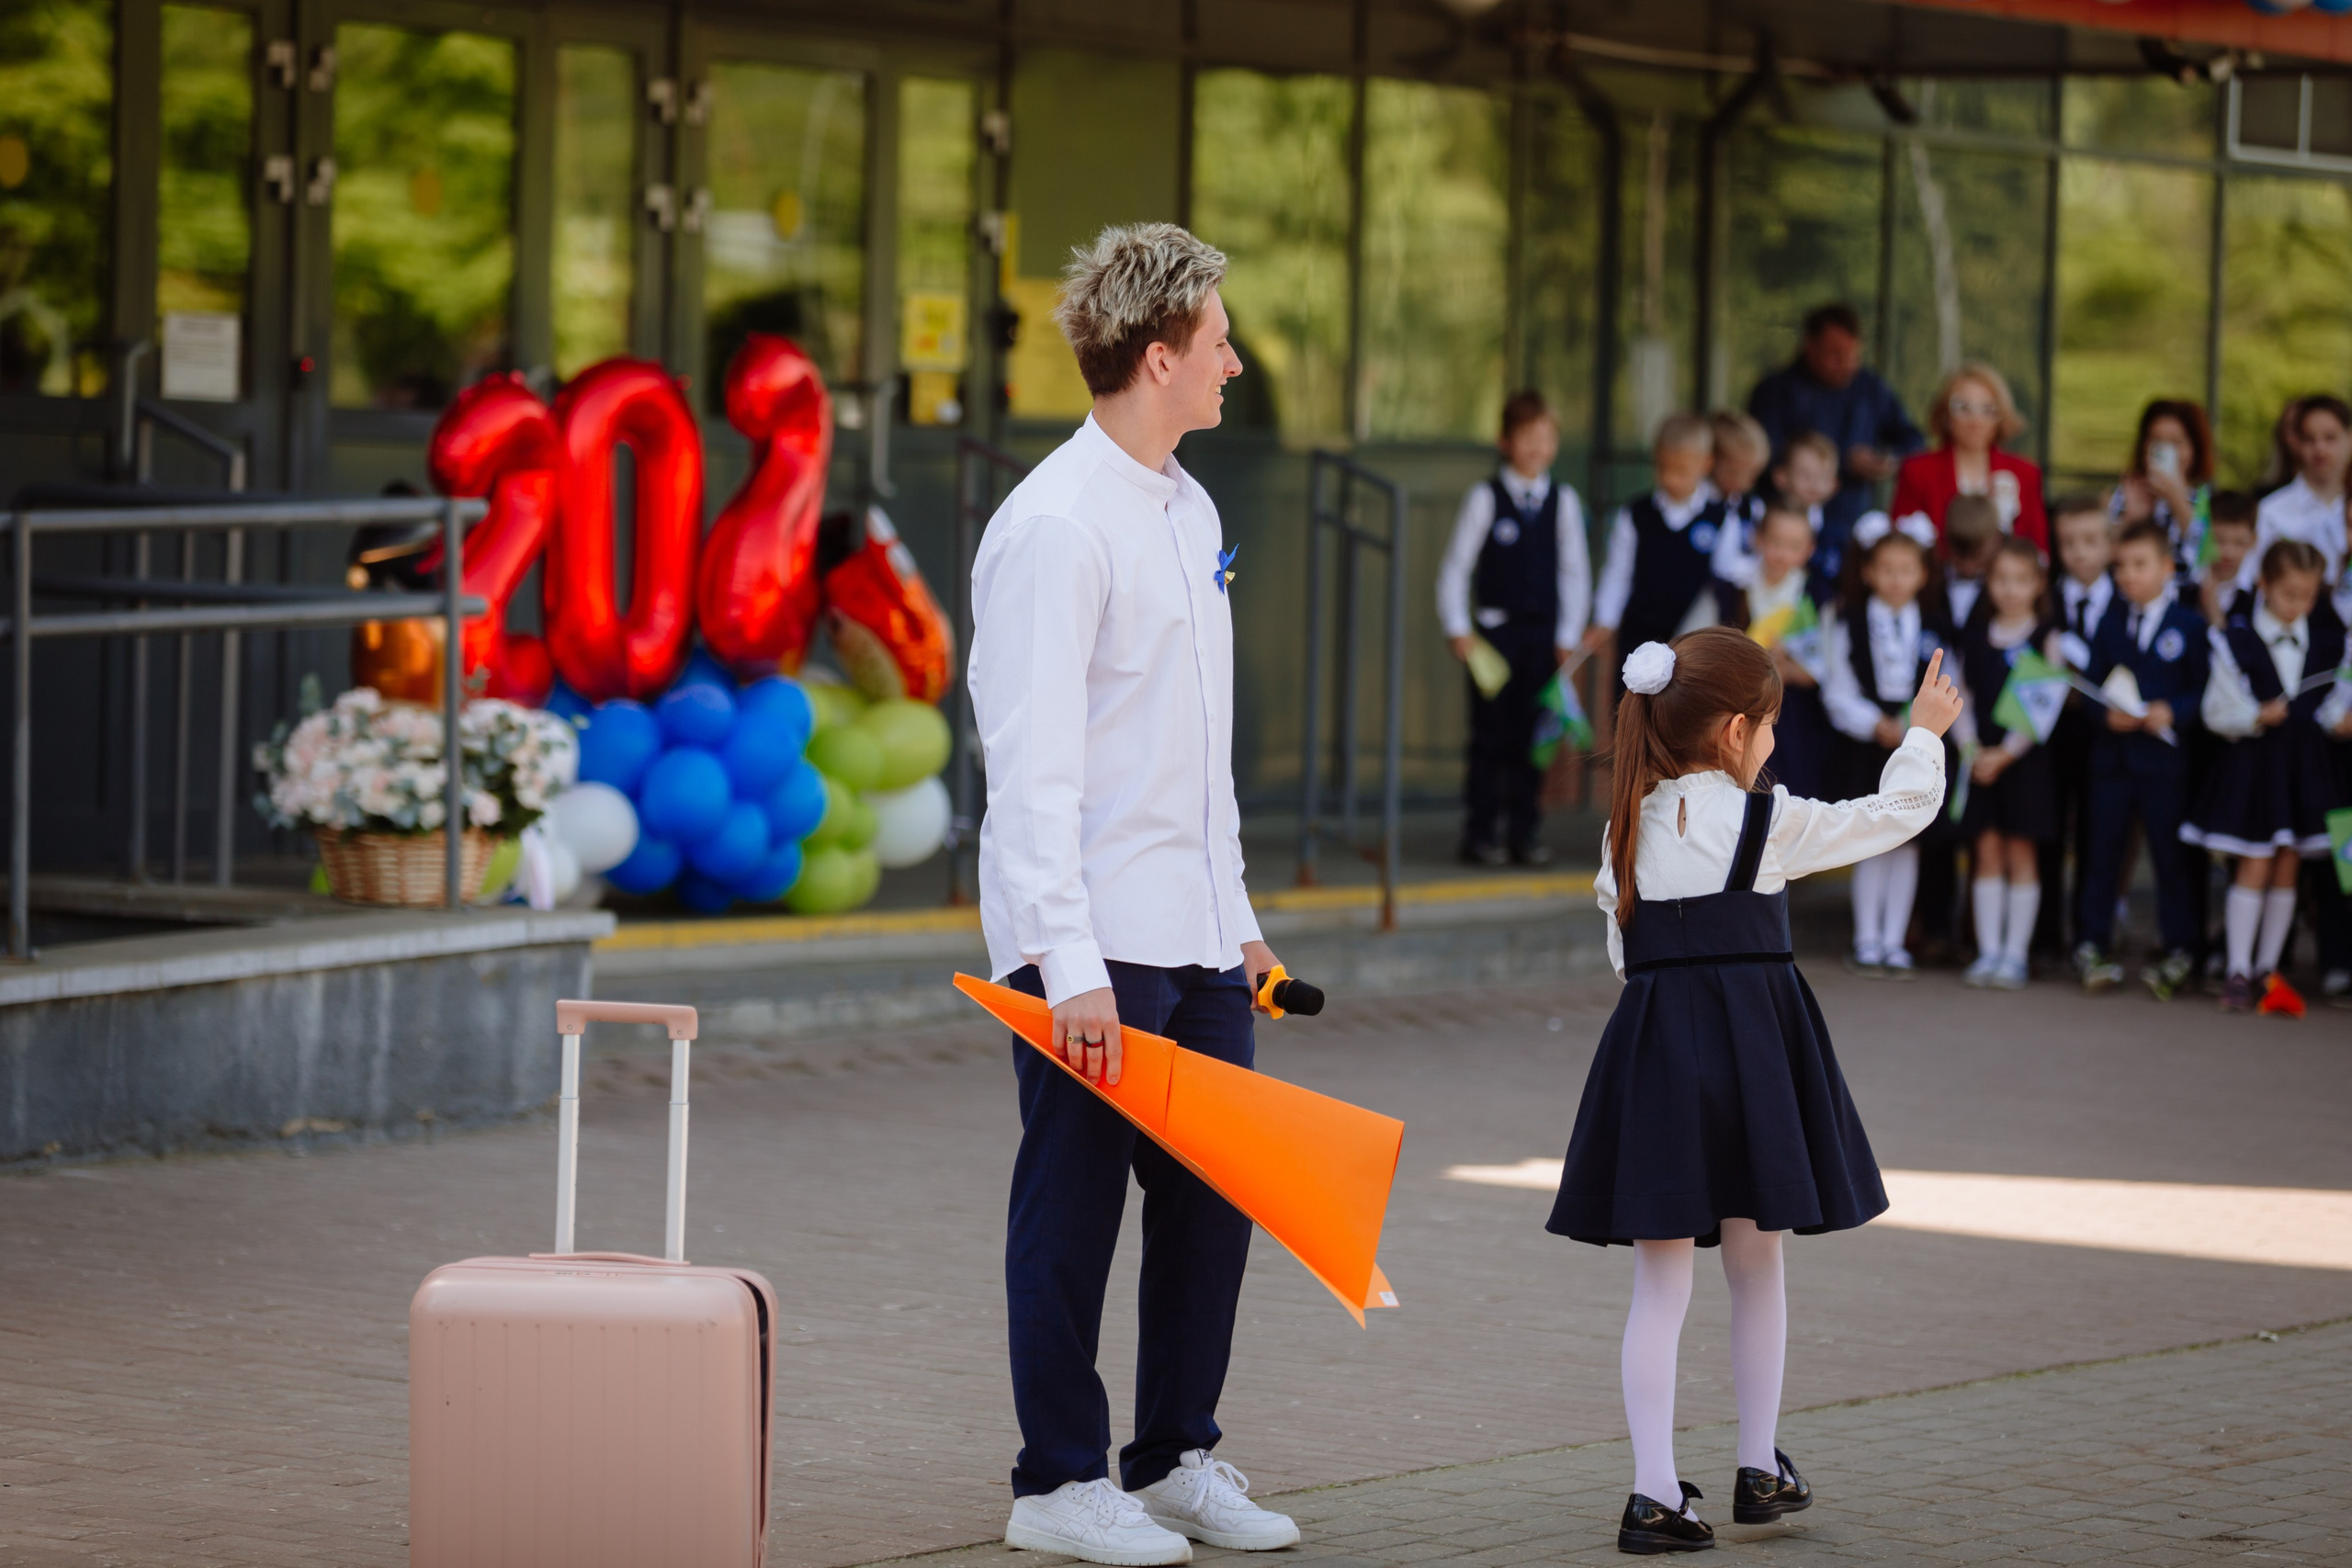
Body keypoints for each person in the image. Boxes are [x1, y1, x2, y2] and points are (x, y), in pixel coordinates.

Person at [967, 222, 1298, 1566]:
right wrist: (1070, 964)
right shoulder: (1054, 527)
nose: (1233, 362)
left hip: (1197, 934)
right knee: (1073, 1209)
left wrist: (1239, 916)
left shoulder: (1191, 507)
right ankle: (1056, 1480)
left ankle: (1171, 1460)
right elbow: (1031, 771)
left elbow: (1191, 743)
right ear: (1159, 355)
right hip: (1089, 942)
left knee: (1213, 1205)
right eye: (1217, 340)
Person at [1548, 625, 1959, 1556]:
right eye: (1769, 723)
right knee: (1756, 1262)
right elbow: (1895, 812)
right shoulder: (1765, 822)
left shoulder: (1623, 828)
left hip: (1656, 1058)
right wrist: (1924, 733)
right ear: (1736, 730)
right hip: (1756, 1056)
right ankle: (1756, 1466)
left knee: (1660, 1284)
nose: (1772, 739)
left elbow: (1625, 960)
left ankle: (1655, 1491)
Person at [2183, 538, 2343, 1016]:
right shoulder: (2236, 641)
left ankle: (2268, 970)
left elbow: (2333, 704)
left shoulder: (2331, 644)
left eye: (2308, 596)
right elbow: (2215, 710)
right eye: (2289, 594)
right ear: (2264, 585)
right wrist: (2254, 716)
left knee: (2289, 863)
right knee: (2254, 860)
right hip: (2256, 768)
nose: (2298, 605)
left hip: (2303, 772)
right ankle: (2237, 967)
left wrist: (2339, 720)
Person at [1437, 389, 1590, 867]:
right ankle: (1480, 834)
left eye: (1546, 438)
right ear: (1505, 441)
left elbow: (1575, 571)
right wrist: (1458, 627)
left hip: (1542, 639)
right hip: (1494, 639)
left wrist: (1568, 636)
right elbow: (1456, 567)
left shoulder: (1564, 501)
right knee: (1489, 736)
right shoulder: (1485, 498)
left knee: (1534, 736)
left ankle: (1525, 832)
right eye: (1527, 437)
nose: (1537, 448)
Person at [2073, 520, 2211, 1000]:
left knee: (2171, 858)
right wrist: (2104, 716)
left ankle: (2180, 949)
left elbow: (2203, 689)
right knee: (2102, 854)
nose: (2128, 575)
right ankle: (2092, 944)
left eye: (2139, 564)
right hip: (2112, 764)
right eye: (2121, 566)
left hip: (2164, 767)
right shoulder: (2109, 623)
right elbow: (2090, 686)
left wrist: (2173, 711)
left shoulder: (2190, 625)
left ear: (2167, 567)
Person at [1821, 513, 1953, 977]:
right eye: (1887, 569)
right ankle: (1867, 940)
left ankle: (1894, 941)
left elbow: (1947, 682)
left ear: (1922, 574)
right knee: (1871, 837)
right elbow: (1837, 688)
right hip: (1869, 743)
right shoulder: (1848, 621)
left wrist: (1919, 726)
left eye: (1906, 570)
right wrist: (1873, 722)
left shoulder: (1937, 624)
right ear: (1868, 572)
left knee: (1907, 840)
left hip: (1917, 741)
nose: (1896, 580)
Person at [1746, 303, 1925, 588]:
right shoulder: (1775, 391)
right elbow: (1762, 456)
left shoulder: (1869, 387)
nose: (1846, 364)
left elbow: (1912, 438)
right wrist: (1841, 463)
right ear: (1809, 346)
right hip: (1784, 527)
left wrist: (1886, 459)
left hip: (1850, 523)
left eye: (1854, 355)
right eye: (1835, 354)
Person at [1955, 536, 2062, 989]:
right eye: (2000, 579)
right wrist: (1971, 749)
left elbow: (2045, 707)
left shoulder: (2046, 638)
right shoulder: (1975, 635)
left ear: (2038, 583)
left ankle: (2015, 955)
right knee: (1986, 851)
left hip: (2024, 763)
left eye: (2021, 579)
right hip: (1980, 758)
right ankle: (1988, 953)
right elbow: (1959, 694)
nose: (2010, 589)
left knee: (2021, 853)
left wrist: (2006, 753)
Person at [1585, 412, 1728, 684]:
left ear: (1705, 464)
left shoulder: (1721, 518)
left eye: (1681, 470)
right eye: (1663, 468)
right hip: (1638, 640)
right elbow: (1618, 573)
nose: (1670, 478)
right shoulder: (1635, 513)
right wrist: (1605, 620)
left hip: (1693, 644)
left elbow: (1726, 581)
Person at [2038, 498, 2116, 958]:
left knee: (2096, 834)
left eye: (2090, 541)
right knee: (2048, 831)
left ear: (2110, 545)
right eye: (2068, 543)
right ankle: (2045, 937)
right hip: (2051, 737)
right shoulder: (2045, 598)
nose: (2079, 552)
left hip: (2104, 736)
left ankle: (2090, 935)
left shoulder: (2123, 600)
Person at [1717, 505, 1831, 800]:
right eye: (1775, 542)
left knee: (1790, 792)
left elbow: (1828, 664)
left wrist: (1790, 669)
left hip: (1794, 715)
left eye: (1794, 546)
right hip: (1739, 706)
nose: (1782, 554)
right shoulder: (1734, 587)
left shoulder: (1816, 595)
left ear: (1809, 549)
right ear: (1757, 539)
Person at [1890, 362, 2049, 554]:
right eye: (1963, 407)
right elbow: (1900, 549)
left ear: (2002, 416)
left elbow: (2038, 552)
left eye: (1988, 409)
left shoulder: (2026, 474)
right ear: (1945, 415)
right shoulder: (1916, 471)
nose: (1975, 420)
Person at [2111, 399, 2215, 574]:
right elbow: (2103, 559)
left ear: (2195, 448)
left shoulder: (2208, 500)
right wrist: (2131, 519)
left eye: (2176, 442)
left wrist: (2177, 501)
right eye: (2156, 441)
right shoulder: (2126, 495)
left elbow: (2209, 564)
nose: (2165, 451)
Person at [2257, 395, 2351, 581]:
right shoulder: (2271, 512)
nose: (2320, 449)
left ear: (2349, 438)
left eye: (2330, 438)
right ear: (2296, 442)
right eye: (2309, 439)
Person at [1709, 409, 1772, 581]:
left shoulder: (1753, 508)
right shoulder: (1700, 506)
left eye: (1752, 474)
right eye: (1734, 473)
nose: (1744, 482)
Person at [1942, 493, 2003, 633]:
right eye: (1960, 558)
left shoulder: (2006, 587)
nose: (1968, 567)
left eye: (1977, 557)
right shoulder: (1932, 581)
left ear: (1997, 539)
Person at [2197, 492, 2259, 626]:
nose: (2228, 553)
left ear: (2253, 540)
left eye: (2239, 543)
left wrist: (2215, 615)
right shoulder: (2188, 582)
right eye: (2219, 541)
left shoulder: (2257, 593)